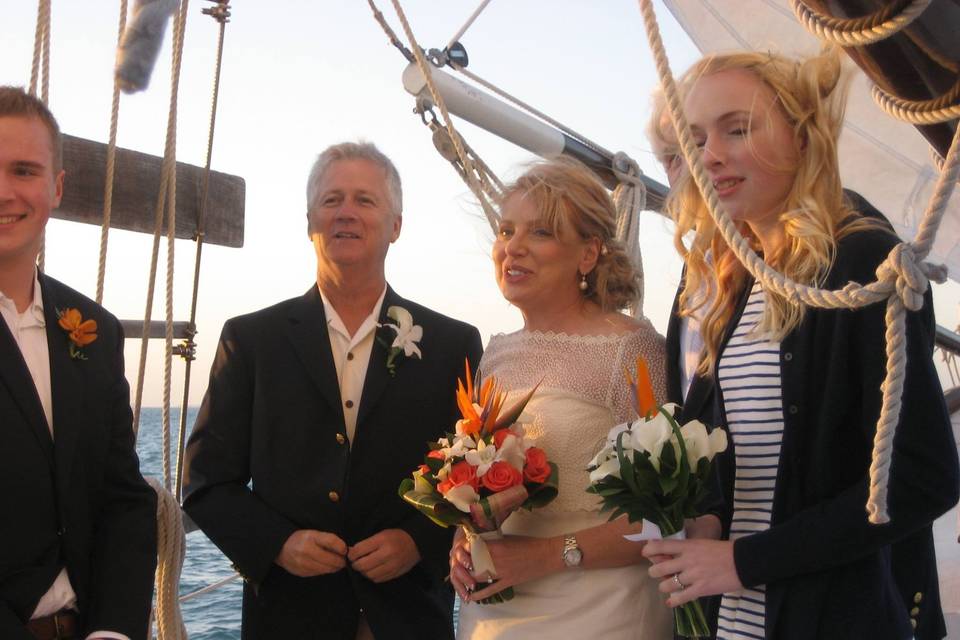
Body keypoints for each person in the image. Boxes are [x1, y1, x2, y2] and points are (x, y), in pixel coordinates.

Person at [641, 50, 960, 640]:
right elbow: (747, 460)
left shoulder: (863, 261)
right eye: (697, 138)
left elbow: (922, 476)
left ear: (802, 129)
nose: (709, 154)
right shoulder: (742, 275)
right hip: (737, 620)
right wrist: (711, 518)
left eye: (738, 129)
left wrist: (743, 561)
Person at [181, 141, 483, 640]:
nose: (346, 213)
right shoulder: (251, 339)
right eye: (331, 200)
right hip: (289, 617)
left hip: (409, 616)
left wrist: (418, 541)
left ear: (396, 225)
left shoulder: (454, 344)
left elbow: (471, 478)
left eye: (365, 200)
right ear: (309, 222)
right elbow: (206, 481)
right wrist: (278, 543)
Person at [449, 157, 674, 639]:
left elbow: (668, 515)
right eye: (507, 230)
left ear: (588, 255)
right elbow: (481, 488)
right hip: (494, 613)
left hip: (602, 611)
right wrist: (462, 542)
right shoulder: (496, 355)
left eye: (541, 233)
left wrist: (546, 556)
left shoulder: (632, 351)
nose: (513, 247)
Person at [0, 86, 157, 640]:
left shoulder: (94, 329)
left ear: (56, 187)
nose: (4, 192)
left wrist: (113, 630)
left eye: (23, 170)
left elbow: (122, 497)